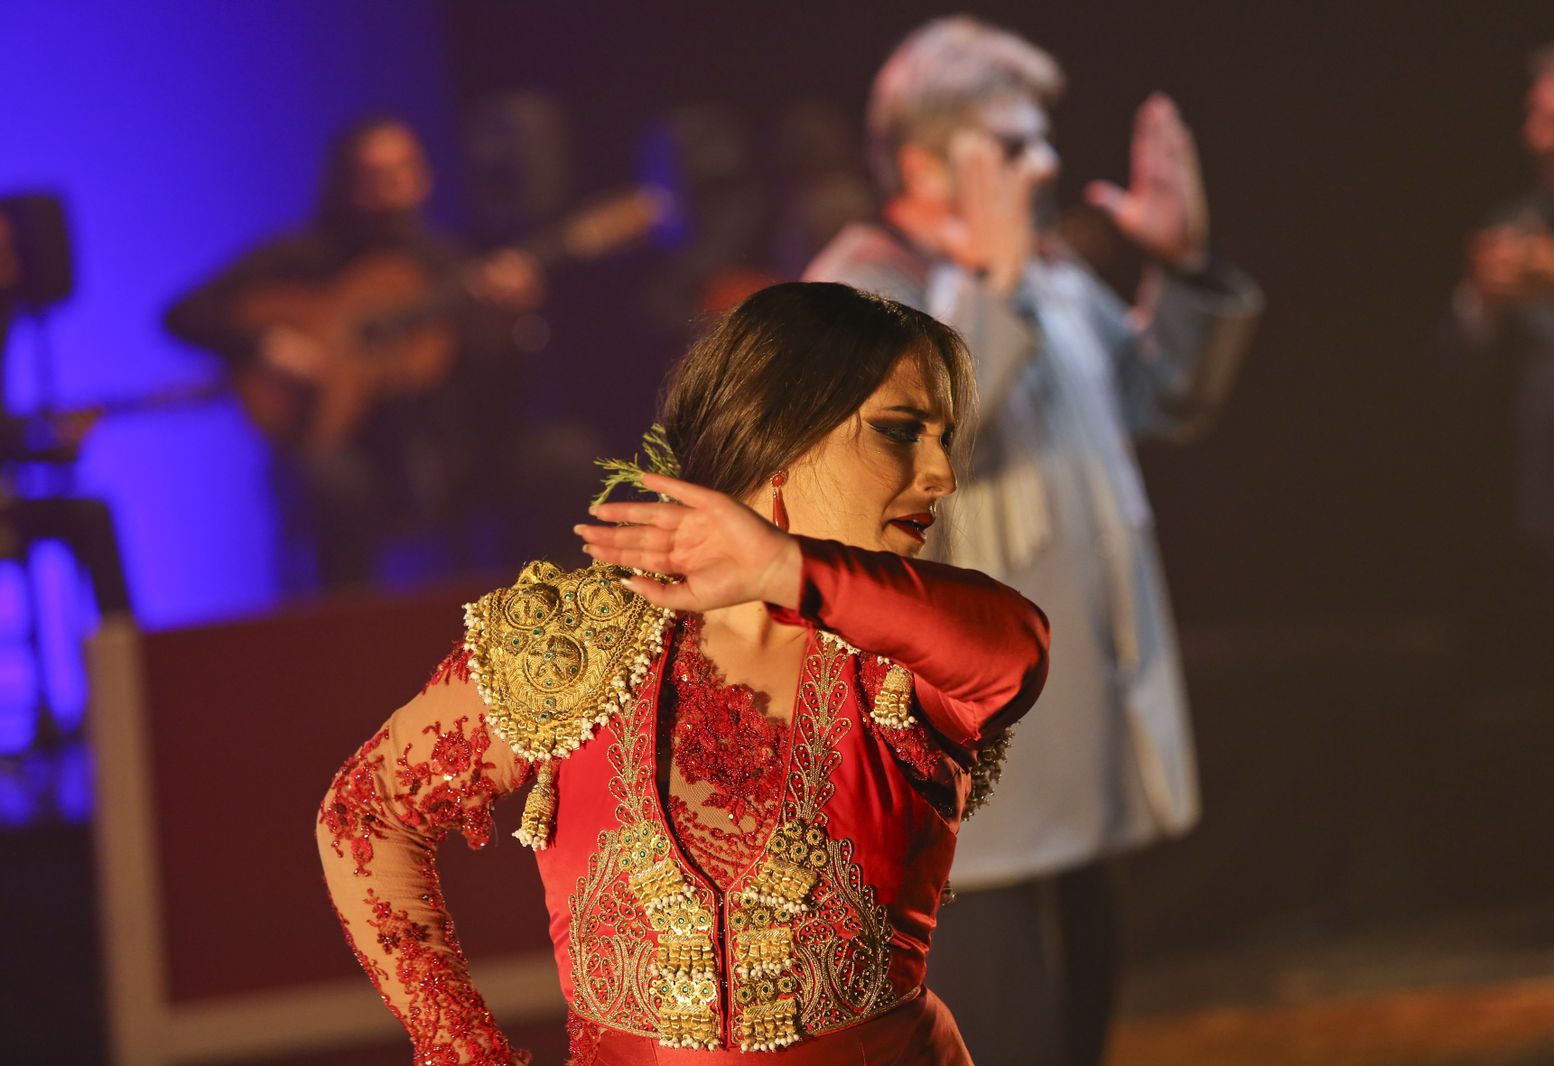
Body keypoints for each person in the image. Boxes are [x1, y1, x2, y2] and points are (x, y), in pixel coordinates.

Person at [316, 281, 1050, 1064]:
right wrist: (462, 1049)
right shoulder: (576, 646)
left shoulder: (907, 656)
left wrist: (785, 569)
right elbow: (365, 815)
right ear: (785, 431)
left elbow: (1016, 651)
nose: (941, 473)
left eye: (943, 438)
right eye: (901, 431)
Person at [805, 17, 1263, 1065]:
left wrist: (1183, 266)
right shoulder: (854, 292)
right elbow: (890, 461)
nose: (1046, 163)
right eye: (1014, 145)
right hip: (962, 787)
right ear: (926, 163)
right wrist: (991, 293)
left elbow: (1166, 393)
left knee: (1072, 1026)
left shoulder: (1045, 276)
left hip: (1074, 746)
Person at [164, 116, 537, 590]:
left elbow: (491, 376)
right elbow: (186, 313)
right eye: (375, 175)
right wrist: (267, 345)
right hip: (341, 441)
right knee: (334, 486)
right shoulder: (302, 257)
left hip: (439, 444)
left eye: (403, 170)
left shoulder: (444, 263)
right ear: (344, 182)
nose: (391, 188)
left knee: (555, 461)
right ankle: (349, 628)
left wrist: (513, 323)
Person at [1447, 42, 1554, 687]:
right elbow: (1454, 359)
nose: (1538, 138)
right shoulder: (1518, 222)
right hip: (1548, 478)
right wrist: (1480, 301)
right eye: (1533, 119)